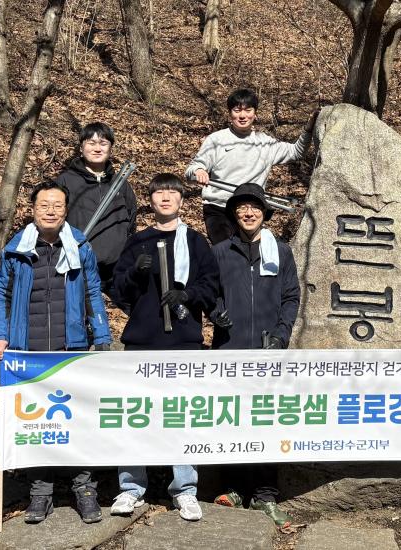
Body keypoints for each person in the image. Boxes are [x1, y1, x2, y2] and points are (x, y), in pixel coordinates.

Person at [0, 181, 112, 525]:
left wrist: (100, 334)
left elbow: (93, 291)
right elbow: (1, 295)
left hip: (69, 348)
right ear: (32, 209)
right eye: (44, 205)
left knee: (76, 419)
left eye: (57, 205)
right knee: (36, 424)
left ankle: (83, 488)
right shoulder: (16, 250)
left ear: (66, 210)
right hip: (27, 351)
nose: (51, 210)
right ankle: (40, 493)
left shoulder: (80, 247)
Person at [110, 173, 218, 521]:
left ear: (182, 200)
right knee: (134, 415)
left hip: (184, 342)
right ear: (151, 200)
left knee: (181, 416)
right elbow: (119, 291)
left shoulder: (197, 243)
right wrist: (136, 274)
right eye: (159, 193)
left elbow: (211, 286)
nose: (166, 197)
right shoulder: (138, 240)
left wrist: (188, 294)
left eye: (172, 192)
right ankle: (130, 488)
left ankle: (185, 489)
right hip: (143, 342)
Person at [209, 183, 300, 528]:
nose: (248, 213)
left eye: (255, 208)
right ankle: (232, 489)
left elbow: (291, 296)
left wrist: (281, 334)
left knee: (266, 421)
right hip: (229, 349)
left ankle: (264, 495)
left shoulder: (281, 251)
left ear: (264, 213)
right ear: (234, 213)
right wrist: (215, 312)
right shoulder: (220, 252)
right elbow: (209, 291)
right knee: (231, 418)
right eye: (242, 208)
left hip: (268, 351)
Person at [185, 88, 319, 244]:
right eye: (237, 110)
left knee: (249, 256)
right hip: (218, 208)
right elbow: (191, 170)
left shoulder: (265, 143)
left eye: (248, 110)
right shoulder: (216, 140)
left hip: (250, 209)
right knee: (226, 252)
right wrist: (199, 171)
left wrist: (309, 128)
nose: (242, 116)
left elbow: (296, 152)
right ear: (230, 114)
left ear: (255, 114)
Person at [56, 122, 137, 298]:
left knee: (135, 311)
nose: (97, 148)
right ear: (81, 147)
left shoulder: (121, 183)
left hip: (117, 268)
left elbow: (131, 220)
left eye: (103, 143)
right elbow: (54, 221)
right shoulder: (66, 181)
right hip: (79, 264)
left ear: (110, 149)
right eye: (91, 143)